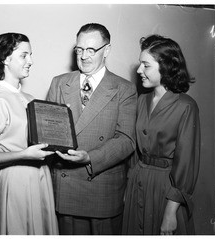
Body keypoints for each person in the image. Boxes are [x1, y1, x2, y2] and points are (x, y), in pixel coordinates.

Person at [46, 23, 137, 235]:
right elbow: (47, 132)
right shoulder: (59, 83)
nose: (84, 56)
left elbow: (126, 140)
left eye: (91, 50)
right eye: (79, 50)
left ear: (107, 50)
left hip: (102, 190)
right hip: (64, 190)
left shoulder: (124, 88)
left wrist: (90, 158)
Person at [0, 33, 59, 235]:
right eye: (24, 55)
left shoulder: (30, 99)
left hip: (40, 178)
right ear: (5, 59)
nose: (30, 61)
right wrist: (24, 154)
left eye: (31, 55)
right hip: (14, 182)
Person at [122, 34, 201, 235]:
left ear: (165, 67)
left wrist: (170, 212)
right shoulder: (141, 100)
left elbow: (186, 164)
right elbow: (133, 151)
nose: (139, 70)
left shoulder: (186, 106)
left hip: (166, 190)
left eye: (146, 65)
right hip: (137, 184)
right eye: (140, 64)